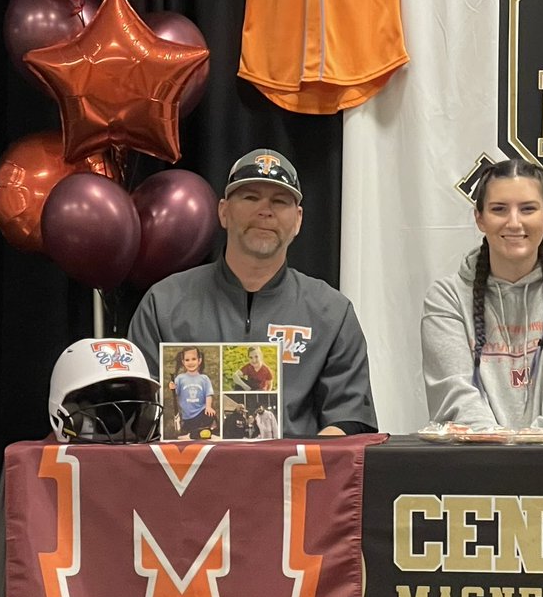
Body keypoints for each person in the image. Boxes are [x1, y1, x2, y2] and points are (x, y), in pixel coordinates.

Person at [128, 148, 377, 437]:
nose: (265, 210)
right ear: (223, 211)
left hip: (293, 479)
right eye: (250, 197)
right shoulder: (164, 303)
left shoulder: (332, 313)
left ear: (297, 220)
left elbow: (349, 419)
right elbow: (139, 414)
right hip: (184, 476)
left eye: (280, 201)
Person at [421, 158, 543, 433]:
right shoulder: (447, 298)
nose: (514, 222)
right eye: (499, 209)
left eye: (528, 209)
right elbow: (454, 399)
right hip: (479, 468)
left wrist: (527, 459)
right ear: (479, 218)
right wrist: (504, 463)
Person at [169, 346, 215, 440]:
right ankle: (196, 433)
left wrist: (208, 406)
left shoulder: (204, 378)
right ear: (183, 362)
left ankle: (197, 432)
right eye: (187, 360)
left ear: (199, 360)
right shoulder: (180, 378)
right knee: (188, 431)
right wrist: (172, 387)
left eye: (194, 359)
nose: (190, 362)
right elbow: (176, 392)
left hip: (201, 412)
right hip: (187, 416)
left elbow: (208, 394)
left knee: (211, 416)